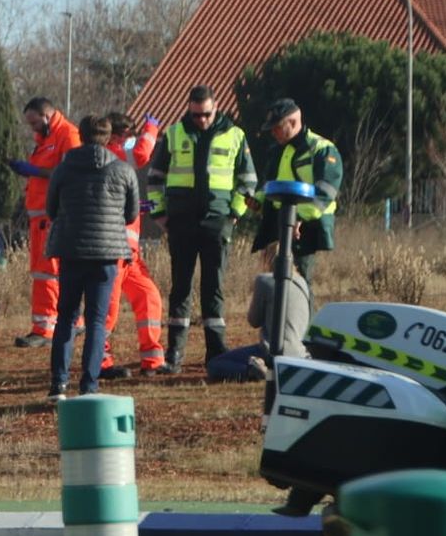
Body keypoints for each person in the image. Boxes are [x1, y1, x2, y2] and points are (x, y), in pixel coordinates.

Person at [145, 85, 257, 373]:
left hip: (217, 221)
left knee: (213, 289)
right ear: (189, 109)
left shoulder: (235, 135)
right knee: (180, 288)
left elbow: (247, 180)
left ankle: (216, 355)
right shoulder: (173, 134)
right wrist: (159, 215)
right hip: (181, 222)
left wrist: (234, 214)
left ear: (215, 108)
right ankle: (174, 355)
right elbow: (155, 177)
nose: (202, 120)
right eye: (196, 115)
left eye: (206, 114)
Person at [44, 114, 139, 401]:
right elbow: (132, 214)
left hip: (71, 251)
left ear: (81, 136)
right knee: (97, 321)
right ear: (109, 138)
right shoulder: (123, 170)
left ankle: (58, 384)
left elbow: (51, 208)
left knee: (66, 318)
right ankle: (89, 385)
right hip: (107, 255)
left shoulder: (63, 169)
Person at [8, 97, 81, 347]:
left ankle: (44, 329)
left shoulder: (68, 135)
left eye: (34, 122)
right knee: (49, 270)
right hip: (40, 215)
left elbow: (70, 172)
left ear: (47, 115)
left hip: (53, 215)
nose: (32, 128)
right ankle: (71, 321)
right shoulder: (46, 139)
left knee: (47, 271)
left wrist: (32, 171)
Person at [98, 111, 166, 378]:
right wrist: (152, 126)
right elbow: (141, 154)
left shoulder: (115, 160)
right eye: (129, 136)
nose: (132, 140)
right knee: (107, 312)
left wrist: (138, 209)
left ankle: (153, 360)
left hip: (130, 255)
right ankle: (100, 363)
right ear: (116, 137)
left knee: (149, 298)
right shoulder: (111, 154)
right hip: (114, 251)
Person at [250, 98, 343, 289]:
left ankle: (302, 319)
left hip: (306, 228)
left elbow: (325, 192)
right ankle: (276, 319)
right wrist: (258, 200)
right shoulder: (278, 150)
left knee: (300, 282)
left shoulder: (321, 149)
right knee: (273, 281)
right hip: (279, 222)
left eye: (276, 127)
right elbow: (271, 184)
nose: (273, 132)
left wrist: (298, 217)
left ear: (292, 123)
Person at [206, 270, 311, 383]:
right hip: (299, 353)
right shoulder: (301, 282)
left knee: (214, 365)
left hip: (270, 352)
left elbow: (254, 321)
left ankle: (254, 371)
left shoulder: (264, 280)